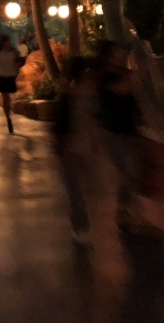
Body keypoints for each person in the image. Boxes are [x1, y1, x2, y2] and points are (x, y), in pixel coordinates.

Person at [94, 41, 146, 230]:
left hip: (129, 129)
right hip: (113, 131)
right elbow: (119, 91)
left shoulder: (125, 73)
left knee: (130, 171)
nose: (120, 56)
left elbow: (133, 99)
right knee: (126, 171)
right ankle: (131, 212)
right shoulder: (104, 77)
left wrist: (141, 118)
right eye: (116, 54)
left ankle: (124, 209)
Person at [54, 56, 100, 245]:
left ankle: (82, 225)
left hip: (83, 146)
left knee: (83, 189)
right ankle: (80, 226)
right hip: (74, 147)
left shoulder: (85, 94)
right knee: (77, 190)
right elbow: (62, 125)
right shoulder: (71, 96)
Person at [0, 35, 22, 134]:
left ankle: (9, 112)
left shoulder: (14, 52)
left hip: (10, 76)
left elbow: (18, 63)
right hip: (1, 76)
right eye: (6, 43)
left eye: (9, 42)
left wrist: (16, 71)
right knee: (5, 98)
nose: (8, 44)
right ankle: (8, 118)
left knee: (10, 97)